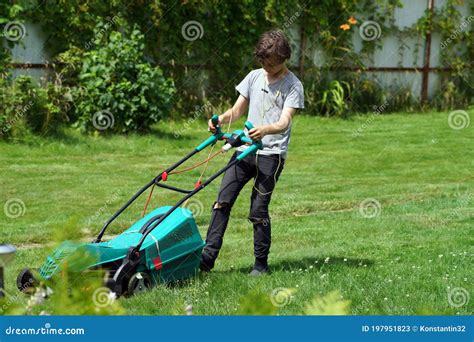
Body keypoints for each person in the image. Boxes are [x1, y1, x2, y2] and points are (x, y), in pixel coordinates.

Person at [200, 30, 305, 276]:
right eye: (264, 62)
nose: (268, 67)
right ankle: (206, 259)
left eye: (272, 63)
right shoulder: (254, 77)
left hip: (272, 154)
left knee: (258, 211)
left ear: (284, 57)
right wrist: (220, 119)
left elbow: (284, 122)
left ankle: (260, 265)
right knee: (221, 202)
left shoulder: (293, 85)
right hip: (245, 150)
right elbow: (236, 111)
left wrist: (265, 130)